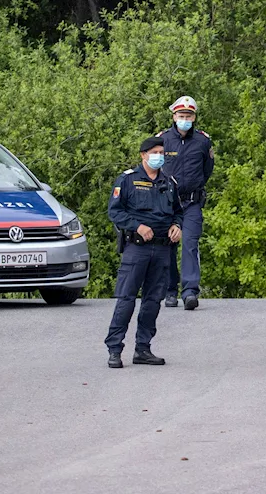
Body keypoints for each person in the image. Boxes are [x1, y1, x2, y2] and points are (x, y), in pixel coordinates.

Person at [104, 137, 182, 369]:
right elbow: (114, 212)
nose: (159, 155)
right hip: (136, 248)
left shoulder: (169, 182)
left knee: (152, 301)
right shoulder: (127, 180)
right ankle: (115, 349)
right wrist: (137, 226)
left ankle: (143, 348)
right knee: (127, 299)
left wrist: (177, 226)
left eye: (162, 152)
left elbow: (179, 212)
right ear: (143, 155)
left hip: (162, 249)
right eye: (155, 152)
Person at [159, 96, 215, 311]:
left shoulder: (203, 141)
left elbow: (207, 170)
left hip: (192, 202)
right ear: (174, 116)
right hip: (167, 204)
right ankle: (170, 291)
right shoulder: (163, 140)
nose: (185, 119)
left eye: (188, 116)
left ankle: (190, 291)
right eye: (181, 115)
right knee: (168, 245)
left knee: (190, 244)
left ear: (194, 117)